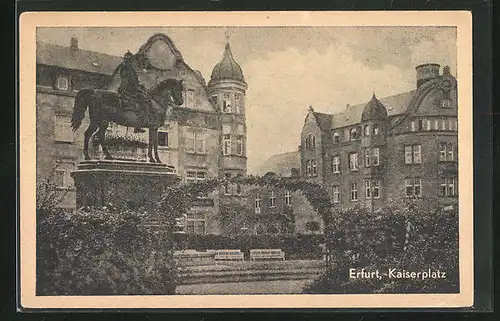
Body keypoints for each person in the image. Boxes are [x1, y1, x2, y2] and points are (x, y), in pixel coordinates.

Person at [118, 51, 149, 133]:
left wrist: (140, 86)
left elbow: (134, 81)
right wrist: (138, 88)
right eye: (131, 60)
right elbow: (131, 81)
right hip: (128, 90)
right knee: (143, 100)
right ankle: (138, 126)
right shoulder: (127, 68)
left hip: (127, 89)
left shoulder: (126, 67)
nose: (132, 61)